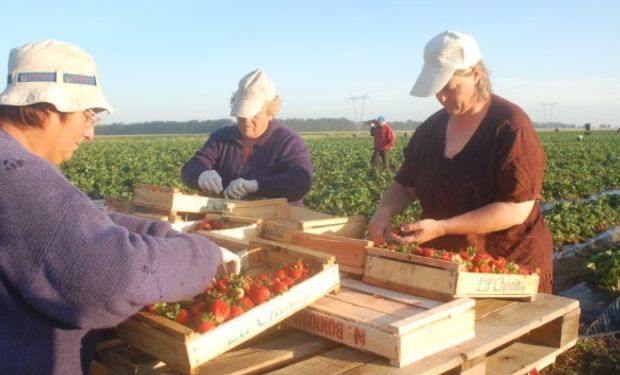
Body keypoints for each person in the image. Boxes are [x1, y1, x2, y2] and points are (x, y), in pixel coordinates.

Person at [0, 40, 240, 374]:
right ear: (49, 109)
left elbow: (82, 218)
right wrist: (204, 256)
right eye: (88, 115)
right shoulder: (16, 174)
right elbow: (111, 278)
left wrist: (162, 233)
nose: (90, 133)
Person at [368, 30, 553, 293]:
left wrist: (443, 227)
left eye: (449, 87)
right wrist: (384, 209)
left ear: (476, 74)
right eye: (437, 90)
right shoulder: (430, 130)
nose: (441, 97)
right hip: (449, 266)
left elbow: (515, 208)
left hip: (505, 267)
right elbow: (406, 185)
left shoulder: (510, 127)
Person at [181, 69, 313, 206]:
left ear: (270, 112)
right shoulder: (221, 138)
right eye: (242, 115)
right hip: (227, 218)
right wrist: (201, 175)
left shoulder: (288, 141)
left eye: (255, 115)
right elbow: (190, 168)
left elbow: (301, 181)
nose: (247, 121)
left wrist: (255, 186)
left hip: (276, 221)